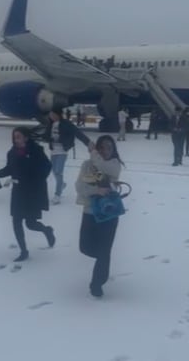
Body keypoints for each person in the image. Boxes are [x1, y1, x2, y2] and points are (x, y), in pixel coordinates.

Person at [0, 127, 55, 262]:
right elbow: (10, 168)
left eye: (18, 136)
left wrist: (37, 178)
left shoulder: (36, 151)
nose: (16, 139)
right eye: (14, 137)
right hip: (18, 191)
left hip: (33, 191)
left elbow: (47, 166)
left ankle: (47, 230)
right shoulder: (12, 153)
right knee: (16, 221)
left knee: (31, 224)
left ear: (26, 137)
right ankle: (23, 251)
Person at [75, 135, 124, 298]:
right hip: (90, 212)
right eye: (101, 147)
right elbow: (80, 186)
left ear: (113, 150)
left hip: (109, 214)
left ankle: (97, 283)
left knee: (104, 250)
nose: (105, 150)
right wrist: (96, 190)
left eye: (109, 147)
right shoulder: (87, 165)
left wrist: (93, 152)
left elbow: (102, 167)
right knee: (85, 247)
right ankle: (103, 259)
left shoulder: (114, 165)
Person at [42, 106, 92, 205]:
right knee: (54, 172)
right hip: (53, 151)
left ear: (57, 114)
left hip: (62, 151)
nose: (50, 116)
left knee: (58, 172)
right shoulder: (50, 124)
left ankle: (57, 195)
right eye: (50, 114)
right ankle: (62, 185)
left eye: (52, 114)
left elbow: (78, 133)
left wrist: (88, 143)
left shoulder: (66, 124)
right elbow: (46, 136)